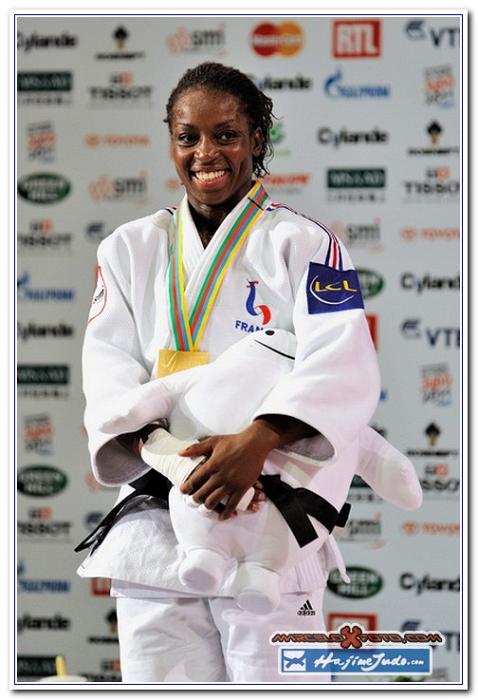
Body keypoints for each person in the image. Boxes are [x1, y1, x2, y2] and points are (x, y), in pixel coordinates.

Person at [78, 61, 382, 683]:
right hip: (157, 516)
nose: (205, 153)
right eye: (188, 137)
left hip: (267, 510)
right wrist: (167, 455)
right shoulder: (130, 247)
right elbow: (107, 370)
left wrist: (256, 441)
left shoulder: (304, 243)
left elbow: (341, 360)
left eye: (226, 135)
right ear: (171, 142)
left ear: (256, 140)